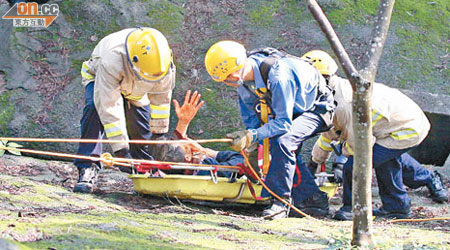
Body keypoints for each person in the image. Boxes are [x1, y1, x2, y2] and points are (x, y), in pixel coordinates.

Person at [302, 50, 448, 220]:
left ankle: (353, 209)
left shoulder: (345, 103)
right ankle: (422, 185)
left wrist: (341, 163)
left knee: (355, 165)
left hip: (408, 126)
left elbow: (360, 145)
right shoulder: (331, 94)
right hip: (396, 124)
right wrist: (314, 162)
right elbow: (330, 133)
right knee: (387, 157)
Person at [204, 41, 336, 219]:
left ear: (234, 75)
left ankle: (280, 202)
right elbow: (252, 118)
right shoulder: (244, 82)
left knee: (284, 141)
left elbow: (283, 123)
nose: (227, 84)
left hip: (317, 109)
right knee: (281, 145)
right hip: (291, 109)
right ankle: (312, 199)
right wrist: (251, 143)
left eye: (226, 80)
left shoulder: (279, 76)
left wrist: (253, 135)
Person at [73, 28, 176, 193]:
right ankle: (88, 167)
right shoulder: (112, 59)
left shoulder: (162, 62)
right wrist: (121, 150)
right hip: (101, 79)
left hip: (136, 88)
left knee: (142, 129)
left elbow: (161, 99)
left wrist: (159, 136)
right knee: (94, 109)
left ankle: (146, 170)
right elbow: (109, 107)